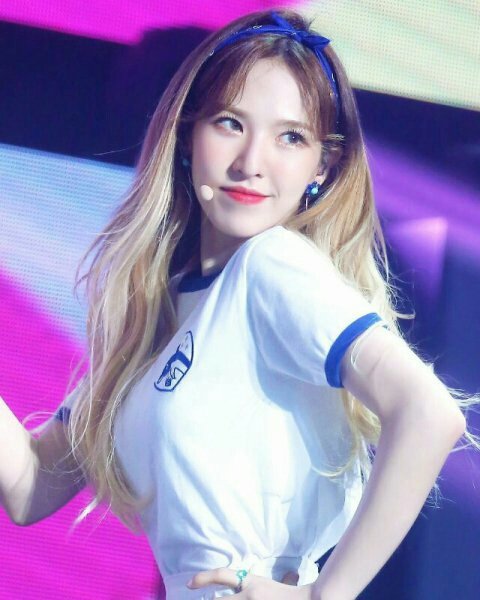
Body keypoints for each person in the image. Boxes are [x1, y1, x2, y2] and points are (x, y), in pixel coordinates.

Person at [1, 8, 477, 600]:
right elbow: (32, 484)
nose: (252, 162)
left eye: (290, 137)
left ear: (323, 167)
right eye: (230, 123)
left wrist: (324, 595)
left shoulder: (272, 264)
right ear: (187, 137)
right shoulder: (162, 309)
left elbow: (430, 412)